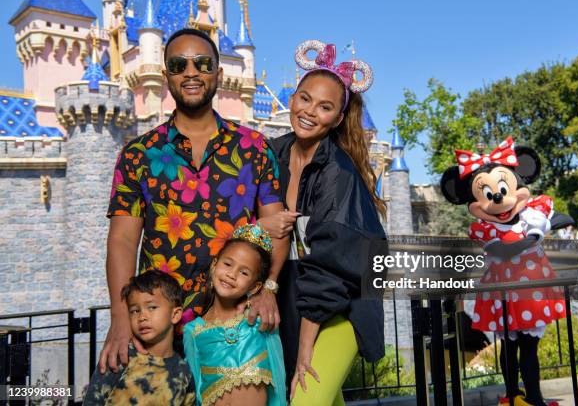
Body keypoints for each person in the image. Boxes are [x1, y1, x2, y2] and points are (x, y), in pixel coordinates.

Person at [101, 28, 288, 375]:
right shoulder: (138, 154)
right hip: (160, 331)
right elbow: (123, 239)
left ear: (219, 73)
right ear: (165, 75)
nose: (191, 72)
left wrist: (270, 288)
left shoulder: (255, 148)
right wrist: (119, 315)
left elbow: (277, 226)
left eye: (202, 64)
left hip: (237, 325)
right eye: (178, 64)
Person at [260, 40, 388, 405]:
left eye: (325, 106)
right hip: (290, 299)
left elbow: (333, 266)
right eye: (304, 98)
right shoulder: (272, 152)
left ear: (337, 117)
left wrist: (305, 347)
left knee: (304, 399)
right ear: (293, 97)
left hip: (341, 305)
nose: (309, 111)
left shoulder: (338, 173)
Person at [440, 137, 570, 406]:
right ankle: (512, 395)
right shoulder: (485, 229)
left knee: (528, 346)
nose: (498, 197)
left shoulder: (532, 214)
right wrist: (535, 237)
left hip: (531, 291)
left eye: (502, 188)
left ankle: (533, 397)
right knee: (510, 346)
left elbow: (558, 218)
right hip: (503, 293)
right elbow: (502, 252)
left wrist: (545, 224)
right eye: (487, 194)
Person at [183, 223, 286, 406]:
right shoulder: (193, 331)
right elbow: (196, 391)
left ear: (255, 286)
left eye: (244, 272)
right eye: (228, 264)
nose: (232, 274)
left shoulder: (259, 322)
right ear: (214, 265)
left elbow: (278, 376)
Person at [84, 271, 196, 405]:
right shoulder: (121, 358)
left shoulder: (184, 372)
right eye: (135, 311)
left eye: (152, 307)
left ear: (175, 314)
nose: (142, 317)